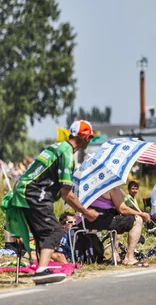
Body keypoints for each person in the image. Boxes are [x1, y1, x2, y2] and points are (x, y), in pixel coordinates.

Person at [12, 119, 99, 284]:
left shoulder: (56, 146)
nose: (89, 141)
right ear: (84, 137)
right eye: (90, 137)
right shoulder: (67, 154)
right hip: (35, 193)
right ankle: (42, 270)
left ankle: (41, 268)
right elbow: (67, 194)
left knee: (41, 232)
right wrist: (86, 213)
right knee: (55, 231)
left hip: (24, 191)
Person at [85, 187, 151, 266]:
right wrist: (141, 214)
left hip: (84, 222)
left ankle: (115, 254)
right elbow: (122, 209)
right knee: (137, 220)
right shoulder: (111, 187)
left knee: (117, 221)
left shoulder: (87, 187)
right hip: (99, 220)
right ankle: (129, 258)